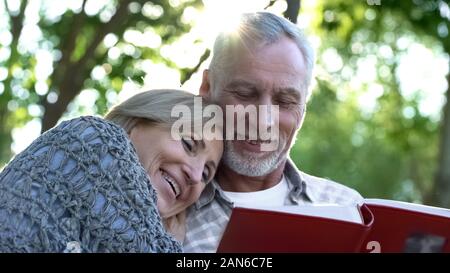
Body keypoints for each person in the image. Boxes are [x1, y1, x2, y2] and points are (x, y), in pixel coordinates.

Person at [183, 12, 364, 253]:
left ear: (303, 109)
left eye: (285, 101)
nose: (263, 121)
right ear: (207, 86)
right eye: (245, 94)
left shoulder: (350, 210)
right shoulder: (165, 207)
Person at [0, 89, 223, 253]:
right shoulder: (91, 139)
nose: (195, 175)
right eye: (188, 143)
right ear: (139, 123)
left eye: (205, 174)